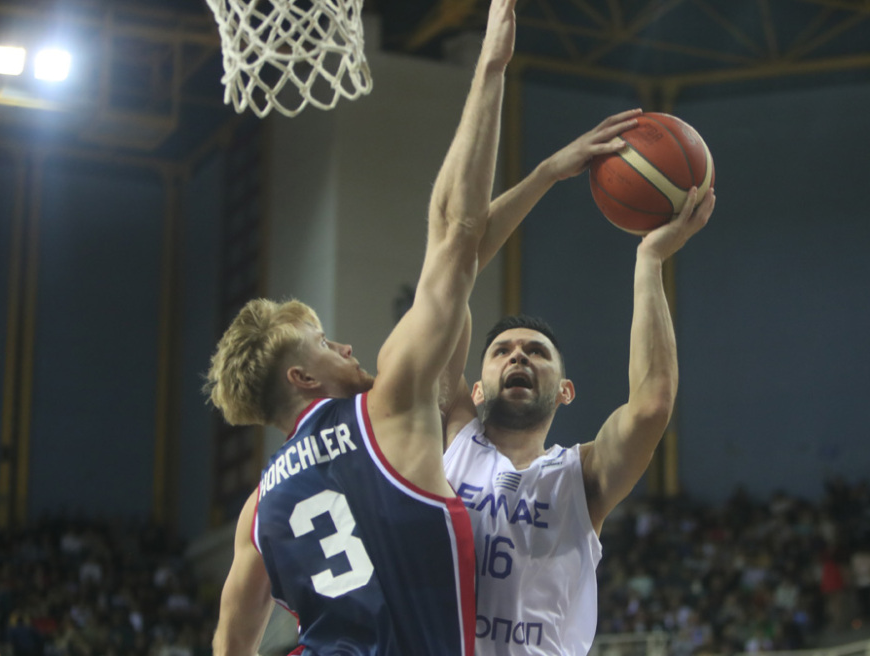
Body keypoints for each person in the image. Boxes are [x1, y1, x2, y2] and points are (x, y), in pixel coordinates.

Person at [205, 1, 518, 654]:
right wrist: (490, 66)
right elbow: (458, 234)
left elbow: (229, 645)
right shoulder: (386, 408)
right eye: (324, 344)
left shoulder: (255, 514)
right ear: (301, 376)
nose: (343, 345)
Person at [440, 185, 715, 654]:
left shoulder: (581, 476)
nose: (518, 356)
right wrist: (547, 173)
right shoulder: (452, 438)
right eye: (502, 351)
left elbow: (651, 406)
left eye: (536, 352)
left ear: (565, 392)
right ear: (476, 388)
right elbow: (447, 284)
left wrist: (649, 262)